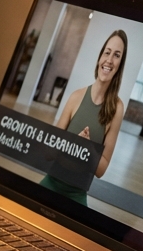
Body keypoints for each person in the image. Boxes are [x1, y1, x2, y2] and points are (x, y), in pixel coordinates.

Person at [53, 30, 129, 179]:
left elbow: (101, 170)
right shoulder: (76, 96)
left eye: (117, 55)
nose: (109, 60)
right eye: (107, 53)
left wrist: (87, 148)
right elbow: (50, 152)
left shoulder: (117, 109)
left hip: (76, 192)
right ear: (100, 58)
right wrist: (74, 142)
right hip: (53, 179)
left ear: (120, 65)